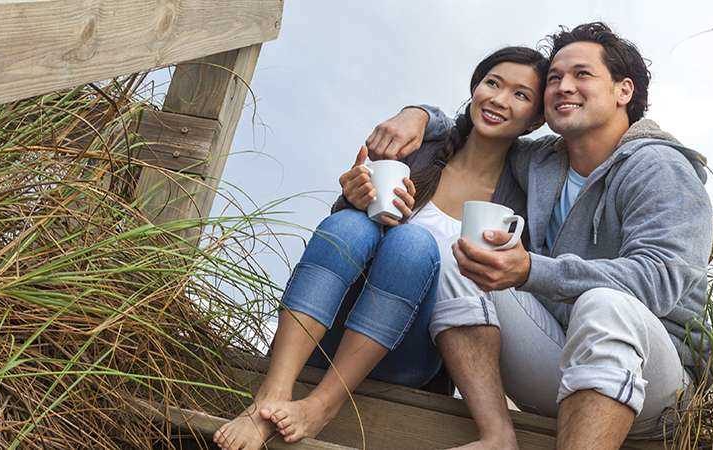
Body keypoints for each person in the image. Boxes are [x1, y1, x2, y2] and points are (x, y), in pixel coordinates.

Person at [366, 22, 713, 449]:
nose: (564, 86)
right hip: (560, 357)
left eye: (582, 75)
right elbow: (482, 125)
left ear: (623, 92)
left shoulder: (659, 167)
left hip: (656, 386)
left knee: (605, 306)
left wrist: (532, 269)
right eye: (554, 78)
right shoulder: (541, 161)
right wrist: (417, 113)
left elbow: (659, 283)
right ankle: (498, 436)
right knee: (464, 256)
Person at [213, 46, 549, 450]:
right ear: (475, 87)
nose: (498, 99)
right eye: (492, 83)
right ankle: (272, 393)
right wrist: (354, 197)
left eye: (520, 95)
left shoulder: (525, 195)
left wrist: (420, 111)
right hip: (330, 329)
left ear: (536, 119)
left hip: (411, 355)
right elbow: (342, 234)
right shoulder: (421, 149)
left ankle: (322, 405)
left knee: (412, 242)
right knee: (350, 224)